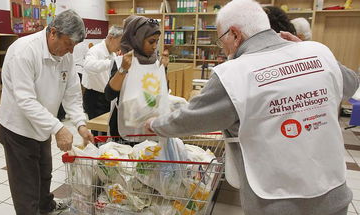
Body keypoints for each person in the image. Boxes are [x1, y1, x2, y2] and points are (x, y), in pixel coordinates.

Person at [145, 0, 359, 214]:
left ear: (235, 34)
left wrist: (156, 124)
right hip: (334, 197)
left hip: (276, 202)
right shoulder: (319, 53)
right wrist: (304, 50)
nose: (223, 49)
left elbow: (192, 119)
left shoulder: (234, 74)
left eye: (222, 41)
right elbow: (350, 85)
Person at [0, 9, 94, 215]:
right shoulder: (24, 51)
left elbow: (72, 93)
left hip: (42, 125)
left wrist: (80, 124)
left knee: (44, 174)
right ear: (53, 32)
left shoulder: (65, 54)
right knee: (26, 185)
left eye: (74, 46)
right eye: (68, 44)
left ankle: (46, 207)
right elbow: (26, 100)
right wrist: (58, 128)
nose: (70, 51)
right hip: (18, 129)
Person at [104, 15, 169, 139]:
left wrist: (163, 69)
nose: (155, 46)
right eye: (151, 41)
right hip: (124, 132)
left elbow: (162, 92)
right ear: (137, 38)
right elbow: (109, 95)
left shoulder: (155, 62)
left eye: (157, 41)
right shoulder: (121, 61)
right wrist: (123, 69)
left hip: (149, 129)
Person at [82, 25, 123, 136]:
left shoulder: (113, 53)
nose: (120, 46)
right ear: (110, 38)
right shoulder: (95, 50)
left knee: (108, 130)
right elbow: (88, 65)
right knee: (98, 133)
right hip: (95, 97)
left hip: (107, 97)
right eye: (120, 42)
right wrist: (113, 63)